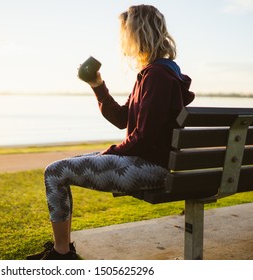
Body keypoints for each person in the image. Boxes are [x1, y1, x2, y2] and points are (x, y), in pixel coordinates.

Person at [27, 4, 194, 260]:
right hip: (151, 161)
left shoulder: (157, 76)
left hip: (152, 167)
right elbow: (121, 119)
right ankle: (63, 250)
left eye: (124, 32)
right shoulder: (154, 73)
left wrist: (109, 152)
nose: (122, 40)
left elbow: (143, 139)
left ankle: (62, 253)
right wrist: (97, 85)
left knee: (55, 172)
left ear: (138, 33)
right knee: (63, 167)